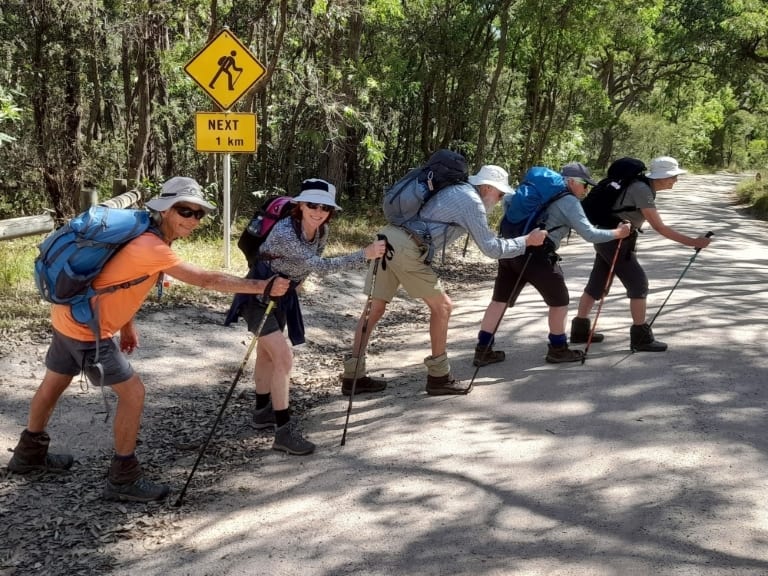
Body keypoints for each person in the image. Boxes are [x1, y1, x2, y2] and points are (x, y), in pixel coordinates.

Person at [7, 177, 291, 503]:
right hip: (88, 331)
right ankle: (123, 478)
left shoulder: (145, 233)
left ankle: (28, 454)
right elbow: (205, 279)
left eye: (199, 214)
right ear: (166, 210)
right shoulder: (151, 246)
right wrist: (262, 287)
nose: (193, 219)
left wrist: (127, 327)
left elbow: (118, 281)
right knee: (134, 394)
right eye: (185, 211)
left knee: (53, 383)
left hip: (69, 317)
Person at [340, 164, 548, 397]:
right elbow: (491, 248)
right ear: (487, 187)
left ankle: (353, 376)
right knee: (443, 307)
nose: (499, 200)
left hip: (387, 237)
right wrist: (527, 241)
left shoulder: (455, 188)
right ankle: (439, 377)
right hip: (408, 247)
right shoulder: (471, 201)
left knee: (375, 307)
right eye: (499, 194)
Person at [226, 179, 386, 455]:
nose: (318, 211)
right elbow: (320, 265)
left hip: (284, 295)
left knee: (268, 356)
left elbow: (312, 261)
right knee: (284, 358)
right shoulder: (286, 230)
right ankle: (282, 431)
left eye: (325, 207)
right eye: (312, 204)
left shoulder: (321, 230)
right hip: (258, 294)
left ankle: (262, 411)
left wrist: (298, 280)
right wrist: (365, 255)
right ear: (299, 205)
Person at [474, 162, 631, 365]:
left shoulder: (535, 191)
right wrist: (619, 233)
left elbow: (509, 202)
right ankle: (558, 348)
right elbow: (590, 234)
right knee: (560, 300)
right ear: (572, 181)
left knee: (499, 301)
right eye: (585, 184)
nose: (586, 190)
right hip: (536, 255)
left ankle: (482, 350)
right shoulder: (568, 201)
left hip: (512, 248)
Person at [572, 156, 712, 351]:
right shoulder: (642, 189)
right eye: (673, 177)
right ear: (661, 177)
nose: (675, 180)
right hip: (616, 241)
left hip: (606, 237)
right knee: (638, 284)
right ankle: (640, 338)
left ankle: (579, 331)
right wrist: (694, 242)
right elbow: (659, 227)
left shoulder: (641, 186)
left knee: (598, 282)